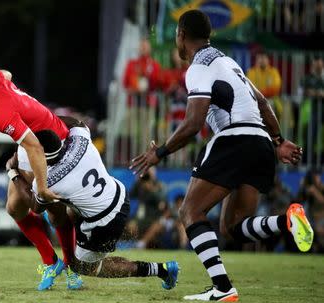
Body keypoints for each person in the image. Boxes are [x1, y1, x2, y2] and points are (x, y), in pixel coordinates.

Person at [130, 10, 313, 301]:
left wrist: (159, 152)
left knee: (190, 212)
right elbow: (263, 103)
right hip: (261, 144)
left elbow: (193, 124)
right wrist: (278, 141)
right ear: (209, 35)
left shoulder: (199, 67)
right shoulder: (229, 62)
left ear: (181, 35)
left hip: (234, 139)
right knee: (232, 229)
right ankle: (287, 221)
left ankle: (223, 288)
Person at [0, 67, 81, 290]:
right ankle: (51, 262)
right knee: (14, 208)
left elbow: (35, 147)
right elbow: (7, 73)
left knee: (53, 211)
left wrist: (42, 188)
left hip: (52, 144)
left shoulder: (0, 113)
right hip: (31, 139)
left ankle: (72, 268)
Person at [6, 124, 179, 288]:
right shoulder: (80, 140)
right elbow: (76, 122)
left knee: (84, 266)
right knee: (66, 211)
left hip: (104, 221)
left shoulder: (48, 182)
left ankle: (161, 269)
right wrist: (53, 120)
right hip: (117, 193)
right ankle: (63, 263)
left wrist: (13, 172)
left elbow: (36, 207)